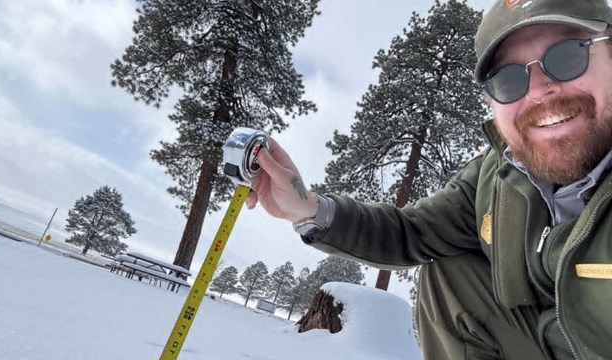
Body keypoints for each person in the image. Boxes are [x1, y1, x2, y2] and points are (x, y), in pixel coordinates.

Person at [246, 0, 612, 359]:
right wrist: (306, 208)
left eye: (567, 56)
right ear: (491, 102)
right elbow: (412, 231)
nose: (537, 90)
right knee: (451, 270)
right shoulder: (496, 177)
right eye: (508, 79)